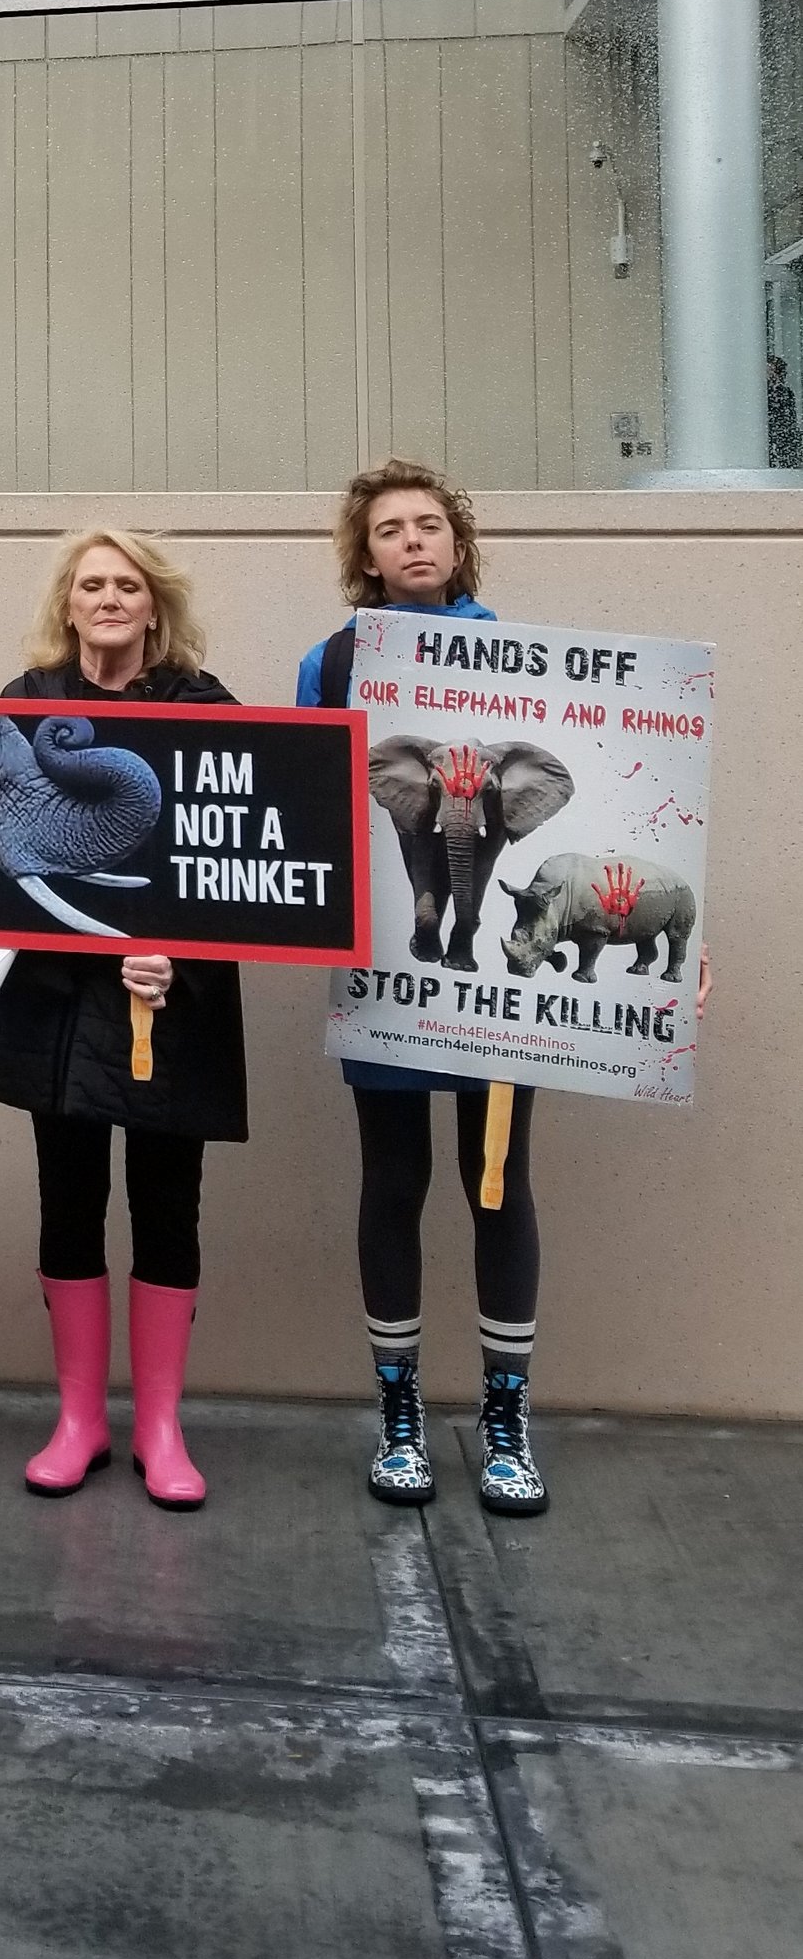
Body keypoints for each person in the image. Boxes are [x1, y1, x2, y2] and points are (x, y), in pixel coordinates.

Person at [298, 457, 707, 1520]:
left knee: (495, 1182)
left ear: (458, 541)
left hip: (504, 996)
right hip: (384, 972)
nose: (412, 542)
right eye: (389, 529)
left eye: (428, 524)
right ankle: (396, 1407)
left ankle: (504, 1411)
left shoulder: (529, 662)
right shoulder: (332, 659)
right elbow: (308, 799)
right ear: (365, 552)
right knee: (391, 1182)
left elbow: (620, 769)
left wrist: (665, 956)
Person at [0, 528, 244, 1509]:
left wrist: (186, 948)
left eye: (126, 584)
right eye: (92, 585)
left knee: (170, 1204)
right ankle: (79, 1419)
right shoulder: (23, 707)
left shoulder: (209, 709)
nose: (109, 598)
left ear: (153, 605)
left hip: (174, 998)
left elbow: (240, 858)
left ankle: (160, 1428)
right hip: (57, 996)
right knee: (68, 1196)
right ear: (68, 604)